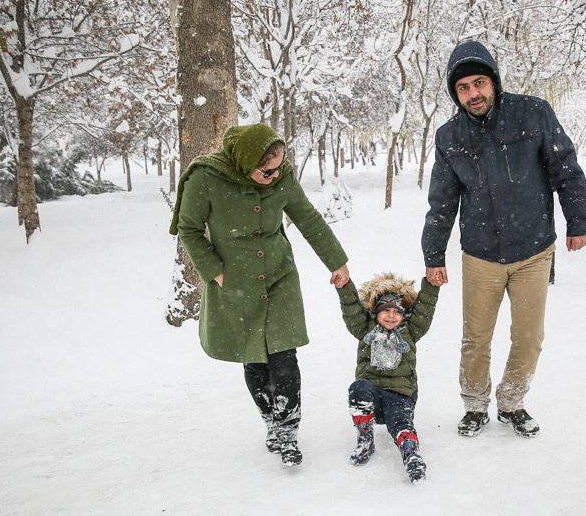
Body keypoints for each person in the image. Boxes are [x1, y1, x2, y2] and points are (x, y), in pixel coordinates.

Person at [421, 40, 586, 439]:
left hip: (534, 250)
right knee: (475, 338)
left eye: (479, 83)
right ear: (455, 93)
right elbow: (441, 200)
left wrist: (578, 218)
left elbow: (564, 166)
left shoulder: (533, 113)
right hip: (480, 255)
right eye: (463, 88)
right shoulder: (450, 136)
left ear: (494, 81)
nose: (473, 94)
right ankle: (475, 404)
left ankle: (512, 401)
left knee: (529, 337)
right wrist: (433, 253)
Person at [170, 123, 350, 466]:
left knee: (284, 355)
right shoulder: (205, 178)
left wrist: (337, 262)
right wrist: (216, 273)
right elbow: (189, 229)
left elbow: (308, 218)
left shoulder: (280, 178)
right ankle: (271, 420)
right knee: (254, 357)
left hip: (279, 277)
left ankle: (288, 432)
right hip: (235, 283)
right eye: (267, 170)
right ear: (244, 161)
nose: (275, 174)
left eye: (280, 167)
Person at [336, 273, 439, 482]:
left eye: (396, 312)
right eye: (385, 311)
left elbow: (425, 308)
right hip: (371, 395)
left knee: (400, 423)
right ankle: (365, 437)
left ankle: (411, 453)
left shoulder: (411, 330)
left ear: (404, 314)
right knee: (359, 388)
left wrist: (432, 286)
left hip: (400, 396)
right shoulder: (365, 328)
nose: (391, 316)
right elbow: (351, 308)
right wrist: (344, 286)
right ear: (376, 312)